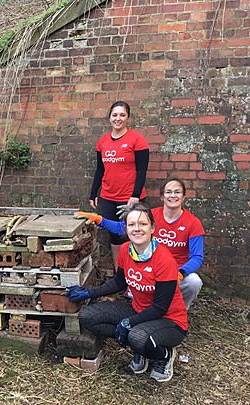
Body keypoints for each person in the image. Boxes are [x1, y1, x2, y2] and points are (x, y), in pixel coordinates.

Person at [68, 204, 188, 383]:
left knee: (135, 335)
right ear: (126, 228)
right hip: (138, 310)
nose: (137, 229)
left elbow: (160, 308)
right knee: (87, 316)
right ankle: (140, 348)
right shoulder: (125, 250)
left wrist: (129, 323)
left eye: (143, 224)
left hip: (170, 321)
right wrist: (89, 293)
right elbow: (119, 282)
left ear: (152, 228)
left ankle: (164, 355)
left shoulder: (164, 260)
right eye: (131, 225)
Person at [75, 178, 204, 309]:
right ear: (162, 196)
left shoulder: (193, 223)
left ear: (184, 196)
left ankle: (180, 310)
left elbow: (197, 257)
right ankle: (143, 307)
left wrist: (182, 272)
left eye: (177, 192)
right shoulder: (151, 215)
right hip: (148, 271)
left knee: (194, 282)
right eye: (168, 192)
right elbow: (122, 228)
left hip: (176, 274)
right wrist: (98, 219)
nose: (173, 195)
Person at [89, 101, 149, 267]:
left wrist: (135, 195)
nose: (118, 118)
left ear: (128, 118)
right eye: (115, 115)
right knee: (114, 236)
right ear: (109, 118)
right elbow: (100, 170)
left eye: (122, 115)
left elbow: (142, 170)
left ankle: (137, 275)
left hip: (130, 199)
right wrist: (93, 193)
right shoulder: (103, 142)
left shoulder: (137, 139)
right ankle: (119, 274)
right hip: (108, 197)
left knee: (132, 235)